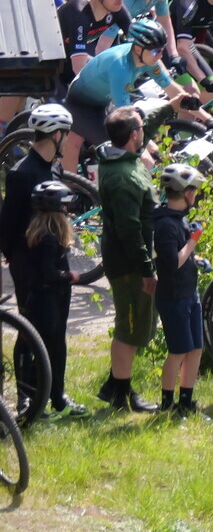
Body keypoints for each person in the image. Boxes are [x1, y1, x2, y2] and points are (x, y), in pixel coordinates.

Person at [1, 105, 85, 418]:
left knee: (57, 331)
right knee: (30, 332)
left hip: (56, 258)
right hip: (29, 264)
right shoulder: (21, 174)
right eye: (67, 134)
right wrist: (14, 258)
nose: (69, 139)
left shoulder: (55, 168)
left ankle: (57, 395)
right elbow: (8, 224)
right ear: (57, 134)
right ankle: (27, 397)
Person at [95, 107, 160, 413]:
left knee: (136, 325)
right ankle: (120, 396)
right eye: (141, 127)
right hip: (128, 265)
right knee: (128, 328)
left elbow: (147, 123)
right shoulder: (124, 177)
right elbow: (129, 231)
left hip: (131, 259)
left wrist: (173, 105)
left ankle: (114, 385)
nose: (145, 130)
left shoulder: (120, 157)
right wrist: (147, 269)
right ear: (134, 135)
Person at [66, 18, 200, 154]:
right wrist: (150, 148)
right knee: (128, 149)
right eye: (156, 51)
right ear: (138, 49)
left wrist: (208, 119)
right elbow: (126, 116)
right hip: (81, 105)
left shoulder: (147, 57)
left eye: (162, 50)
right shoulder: (120, 67)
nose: (160, 56)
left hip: (105, 101)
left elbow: (173, 90)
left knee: (135, 144)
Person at [15, 181, 82, 418]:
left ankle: (47, 397)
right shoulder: (50, 240)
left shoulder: (38, 234)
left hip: (41, 301)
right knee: (52, 353)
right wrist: (69, 276)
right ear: (59, 213)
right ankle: (48, 399)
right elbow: (48, 273)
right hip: (49, 303)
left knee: (47, 351)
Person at [152, 162, 207, 416]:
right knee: (178, 352)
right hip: (173, 297)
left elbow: (183, 255)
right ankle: (166, 405)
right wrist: (193, 243)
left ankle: (186, 401)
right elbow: (172, 262)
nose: (195, 196)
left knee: (195, 348)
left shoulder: (179, 219)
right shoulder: (165, 225)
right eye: (194, 192)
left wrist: (196, 259)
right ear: (187, 193)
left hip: (189, 292)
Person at [57, 0, 133, 85]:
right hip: (51, 63)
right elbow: (78, 67)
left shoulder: (117, 9)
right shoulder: (79, 13)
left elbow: (139, 43)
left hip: (72, 55)